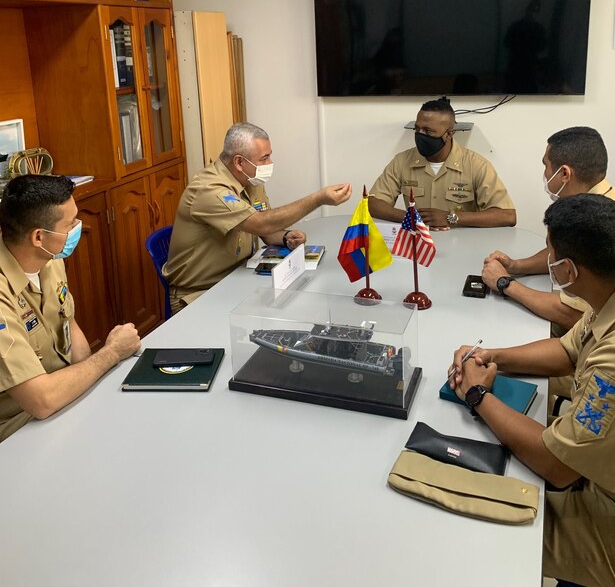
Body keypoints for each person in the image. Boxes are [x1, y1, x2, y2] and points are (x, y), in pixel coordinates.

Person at [449, 194, 615, 587]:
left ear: (570, 270)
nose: (549, 263)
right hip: (595, 475)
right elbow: (566, 350)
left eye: (552, 255)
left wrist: (477, 397)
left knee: (481, 530)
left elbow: (558, 466)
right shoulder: (605, 296)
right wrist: (492, 356)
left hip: (603, 518)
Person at [0, 175, 140, 443]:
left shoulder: (48, 258)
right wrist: (111, 354)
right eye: (70, 223)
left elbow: (69, 323)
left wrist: (94, 388)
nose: (79, 226)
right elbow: (42, 401)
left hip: (64, 402)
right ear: (39, 236)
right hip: (19, 428)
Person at [163, 122, 352, 313]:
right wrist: (318, 199)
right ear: (239, 162)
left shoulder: (250, 180)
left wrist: (286, 237)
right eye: (264, 158)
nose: (270, 164)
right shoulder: (209, 189)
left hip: (237, 278)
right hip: (199, 294)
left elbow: (267, 231)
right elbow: (261, 224)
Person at [483, 127, 614, 331]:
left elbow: (574, 315)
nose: (544, 174)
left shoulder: (591, 225)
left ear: (564, 173)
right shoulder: (600, 203)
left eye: (546, 166)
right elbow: (563, 253)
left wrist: (504, 283)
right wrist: (517, 266)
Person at [368, 97, 516, 229]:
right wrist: (412, 218)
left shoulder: (476, 165)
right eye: (417, 129)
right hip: (419, 244)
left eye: (428, 131)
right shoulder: (402, 161)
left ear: (449, 134)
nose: (420, 135)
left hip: (465, 246)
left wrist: (450, 218)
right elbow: (373, 203)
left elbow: (507, 216)